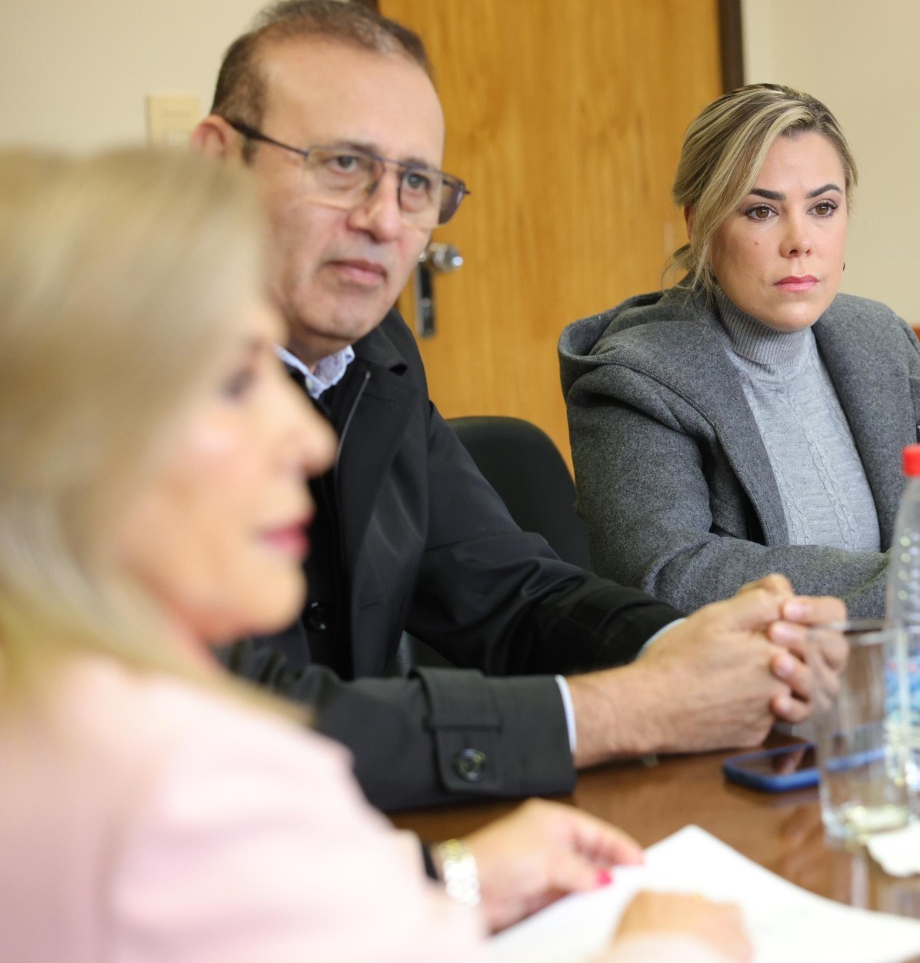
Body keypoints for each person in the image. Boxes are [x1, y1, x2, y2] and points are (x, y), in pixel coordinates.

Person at [0, 147, 750, 963]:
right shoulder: (192, 771)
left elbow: (251, 904)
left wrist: (451, 876)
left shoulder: (57, 718)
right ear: (59, 440)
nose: (306, 440)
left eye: (417, 183)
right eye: (234, 382)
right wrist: (673, 949)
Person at [190, 0, 845, 811]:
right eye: (342, 165)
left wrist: (685, 644)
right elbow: (227, 724)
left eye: (417, 182)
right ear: (217, 162)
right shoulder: (102, 386)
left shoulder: (379, 352)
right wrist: (624, 710)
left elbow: (507, 587)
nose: (385, 220)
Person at [559, 84, 920, 618]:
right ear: (701, 226)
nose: (799, 240)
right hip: (748, 684)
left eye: (823, 207)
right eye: (761, 211)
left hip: (896, 664)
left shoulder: (873, 336)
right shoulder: (634, 376)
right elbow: (669, 572)